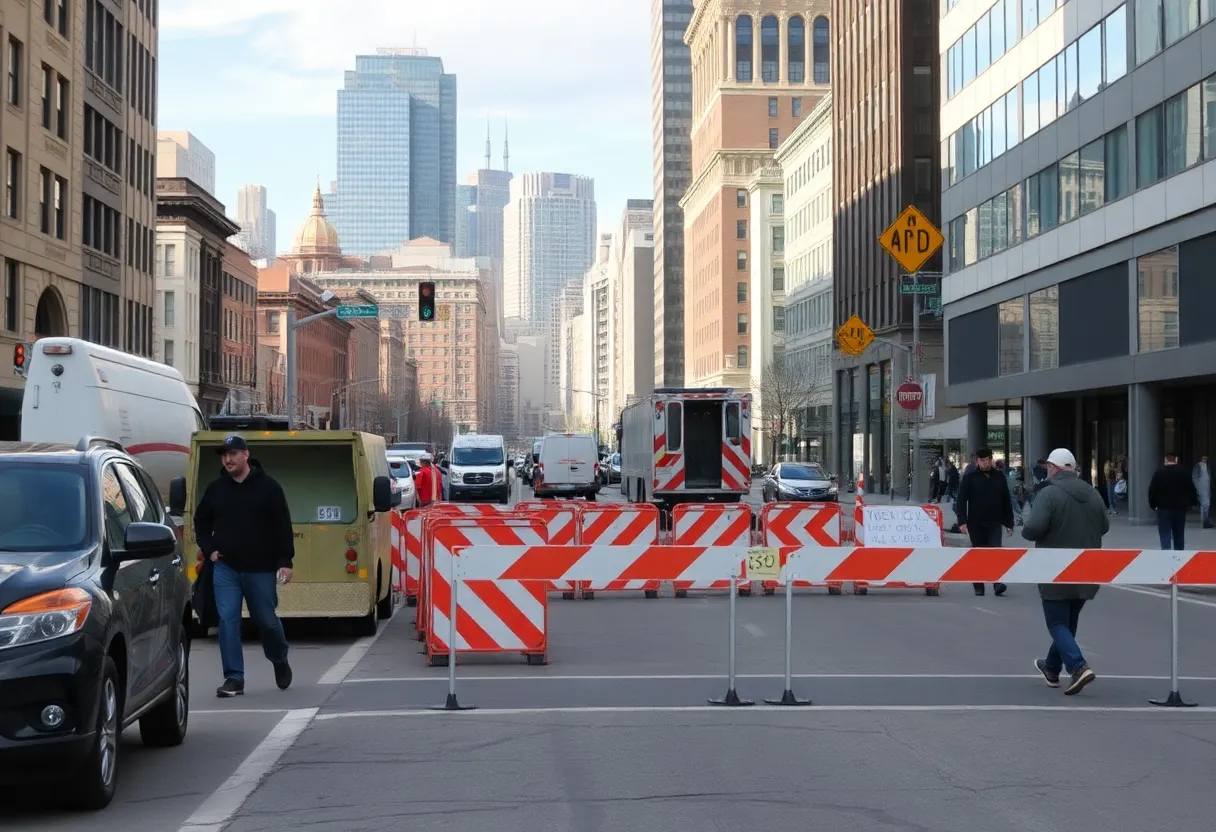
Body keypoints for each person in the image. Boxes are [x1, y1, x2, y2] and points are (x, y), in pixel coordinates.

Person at [193, 435, 294, 698]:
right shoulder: (216, 489)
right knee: (228, 621)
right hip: (226, 567)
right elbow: (201, 521)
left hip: (260, 568)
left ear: (246, 455)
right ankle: (234, 678)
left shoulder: (269, 487)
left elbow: (282, 525)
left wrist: (285, 561)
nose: (228, 459)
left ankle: (279, 658)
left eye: (233, 454)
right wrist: (209, 549)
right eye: (224, 455)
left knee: (266, 621)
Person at [1021, 448, 1108, 696]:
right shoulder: (1092, 494)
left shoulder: (1048, 494)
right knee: (1068, 623)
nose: (1046, 470)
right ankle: (1051, 668)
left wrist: (1031, 531)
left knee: (1058, 622)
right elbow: (1104, 526)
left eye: (1048, 466)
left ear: (1054, 468)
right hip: (1087, 568)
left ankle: (1078, 667)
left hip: (1055, 569)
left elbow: (1033, 529)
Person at [955, 448, 1014, 597]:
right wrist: (962, 521)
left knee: (996, 553)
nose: (985, 463)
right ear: (977, 461)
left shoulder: (999, 476)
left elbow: (1006, 500)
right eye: (982, 460)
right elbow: (961, 501)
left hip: (995, 521)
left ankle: (997, 583)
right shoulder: (970, 477)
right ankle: (978, 584)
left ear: (991, 459)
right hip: (975, 522)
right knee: (978, 554)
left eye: (988, 460)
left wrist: (1009, 523)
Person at [1148, 453, 1197, 550]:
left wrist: (1153, 505)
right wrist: (1192, 504)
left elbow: (1152, 491)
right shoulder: (1184, 473)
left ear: (1165, 460)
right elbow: (1191, 490)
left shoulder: (1158, 474)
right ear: (1176, 460)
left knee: (1165, 535)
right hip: (1180, 509)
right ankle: (1179, 556)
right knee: (1179, 535)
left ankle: (1166, 557)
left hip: (1163, 509)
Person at [1193, 455, 1212, 529]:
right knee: (1205, 504)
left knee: (1207, 504)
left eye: (1206, 458)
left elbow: (1209, 477)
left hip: (1207, 487)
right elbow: (1194, 477)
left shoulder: (1207, 466)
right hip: (1201, 487)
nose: (1205, 459)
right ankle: (1204, 521)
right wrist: (1197, 487)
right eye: (1203, 458)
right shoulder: (1198, 466)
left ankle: (1206, 521)